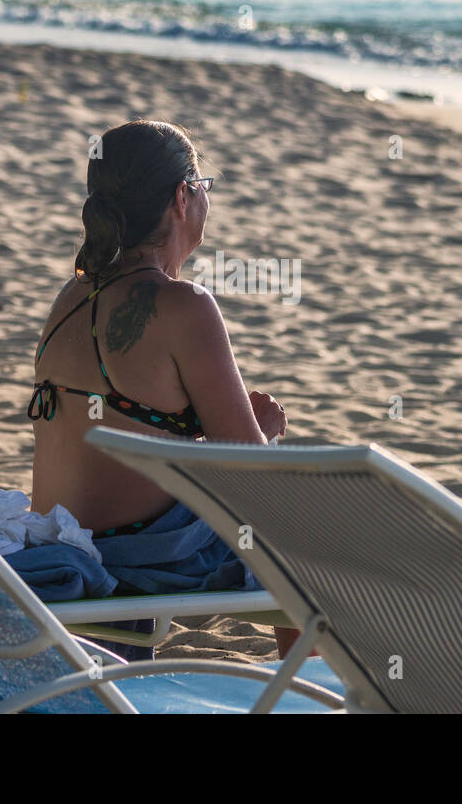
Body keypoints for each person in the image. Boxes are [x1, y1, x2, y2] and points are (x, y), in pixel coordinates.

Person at [27, 119, 299, 654]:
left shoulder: (71, 295)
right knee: (307, 537)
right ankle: (300, 686)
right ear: (182, 196)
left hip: (63, 539)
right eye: (203, 187)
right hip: (141, 558)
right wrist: (263, 428)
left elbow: (128, 432)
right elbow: (250, 475)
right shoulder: (184, 305)